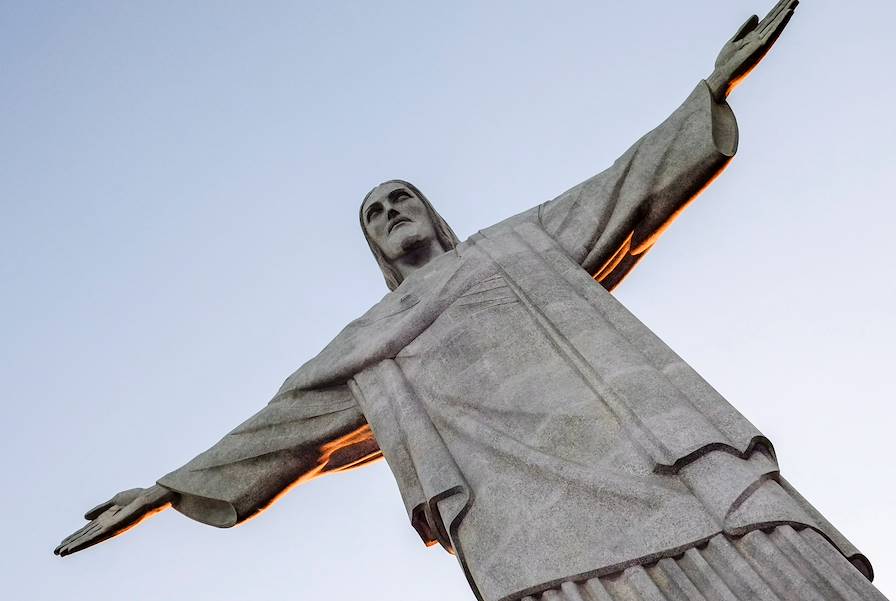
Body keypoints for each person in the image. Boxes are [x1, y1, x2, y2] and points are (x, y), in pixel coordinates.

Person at [55, 2, 890, 600]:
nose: (392, 214)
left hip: (656, 458)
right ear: (375, 249)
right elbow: (281, 427)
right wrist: (164, 489)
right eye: (375, 215)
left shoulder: (522, 240)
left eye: (400, 198)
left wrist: (713, 89)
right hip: (528, 525)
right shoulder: (369, 340)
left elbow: (629, 182)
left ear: (432, 210)